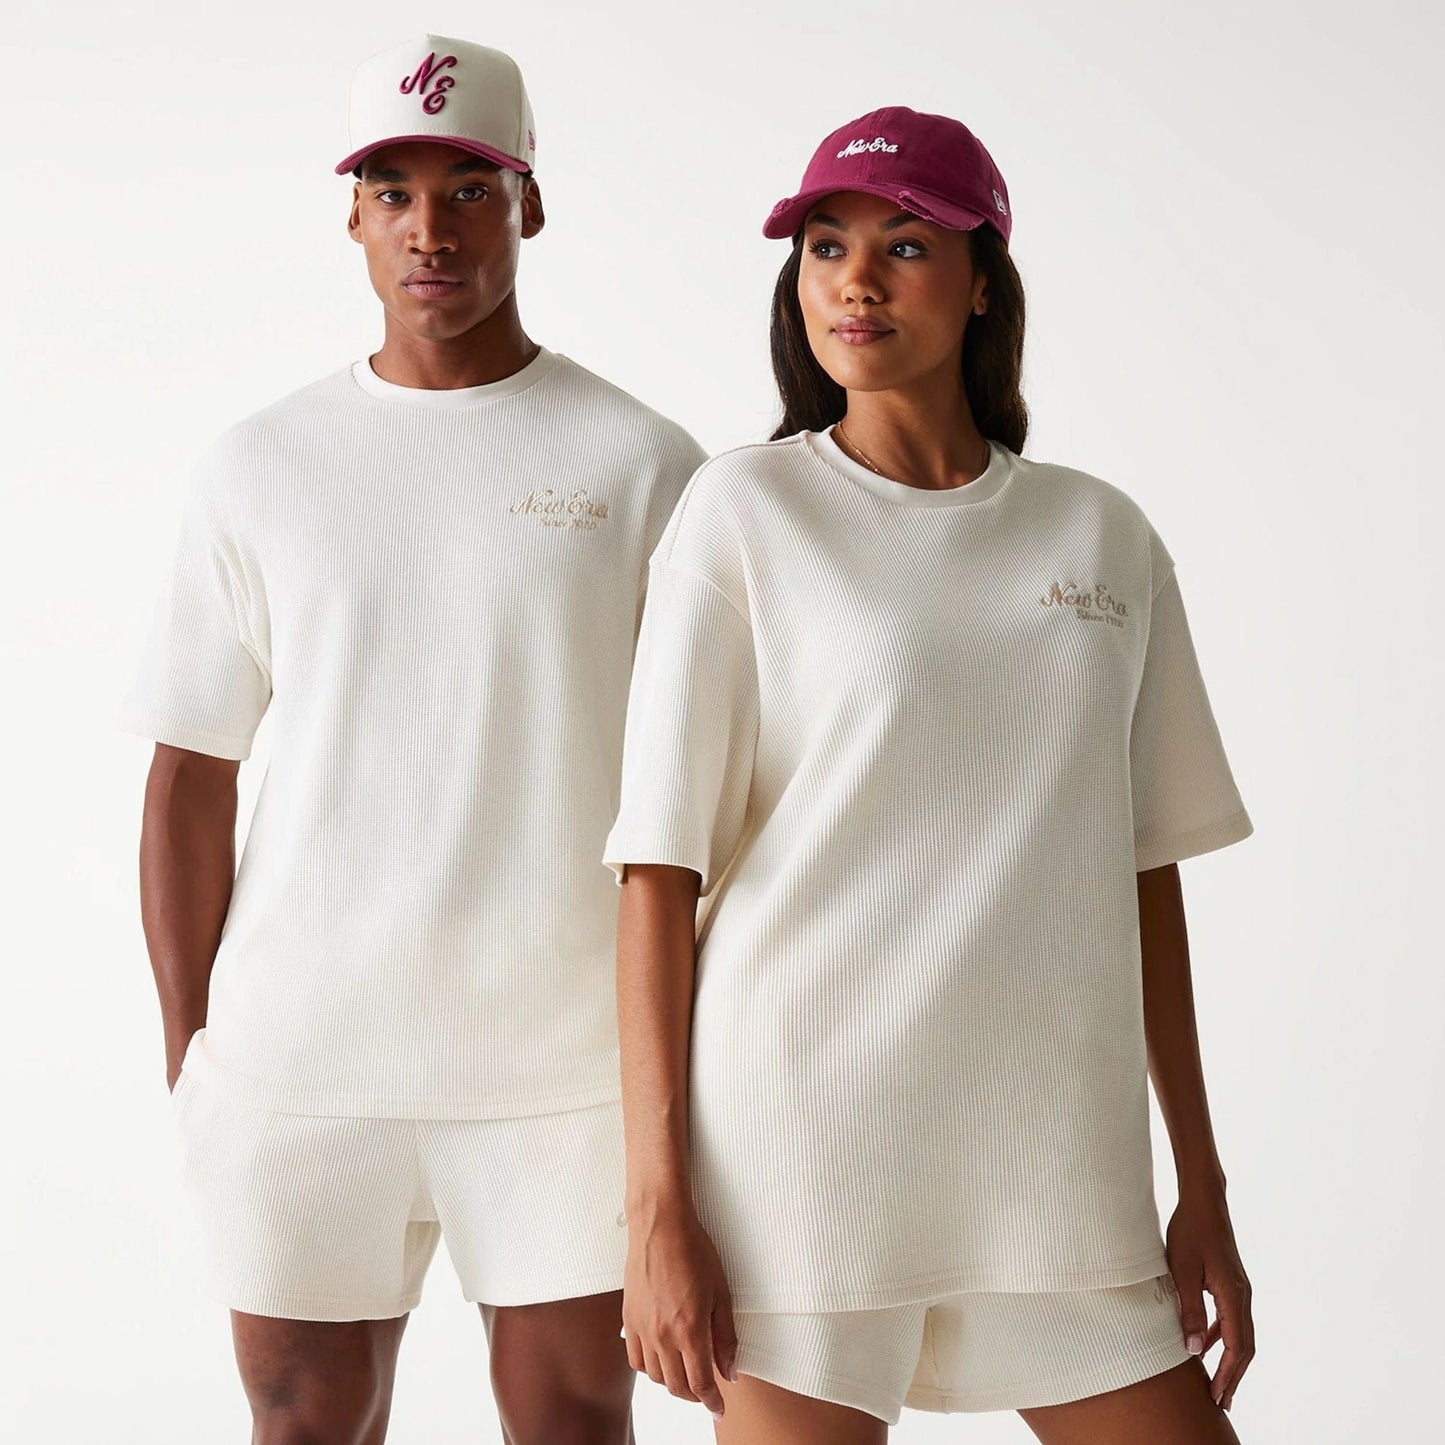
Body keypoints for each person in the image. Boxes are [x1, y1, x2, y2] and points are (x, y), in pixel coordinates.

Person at [602, 105, 1256, 1443]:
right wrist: (657, 1207)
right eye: (825, 246)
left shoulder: (1101, 537)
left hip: (1054, 1163)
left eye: (904, 245)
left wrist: (1202, 1183)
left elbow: (1142, 875)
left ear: (982, 284)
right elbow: (655, 872)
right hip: (802, 1157)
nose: (856, 280)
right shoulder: (744, 512)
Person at [118, 34, 705, 1445]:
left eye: (469, 191)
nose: (429, 229)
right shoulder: (262, 463)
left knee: (571, 1419)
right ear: (354, 217)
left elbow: (703, 794)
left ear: (530, 206)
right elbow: (190, 772)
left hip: (564, 1063)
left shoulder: (642, 464)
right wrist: (193, 1046)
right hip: (302, 1057)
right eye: (393, 192)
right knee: (303, 1417)